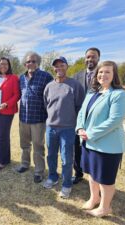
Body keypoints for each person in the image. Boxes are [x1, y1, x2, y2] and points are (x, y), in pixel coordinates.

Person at [76, 61, 125, 217]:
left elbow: (115, 120)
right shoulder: (92, 92)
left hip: (107, 146)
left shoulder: (119, 94)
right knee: (92, 173)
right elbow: (81, 113)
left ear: (114, 75)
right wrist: (79, 128)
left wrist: (90, 133)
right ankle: (94, 198)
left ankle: (105, 208)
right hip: (88, 142)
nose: (103, 75)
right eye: (100, 72)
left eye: (107, 72)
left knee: (105, 178)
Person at [43, 56, 84, 198]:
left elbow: (80, 107)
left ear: (67, 67)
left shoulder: (75, 85)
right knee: (51, 155)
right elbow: (46, 105)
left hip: (68, 129)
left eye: (62, 65)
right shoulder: (49, 86)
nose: (59, 68)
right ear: (53, 68)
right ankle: (53, 177)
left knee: (67, 159)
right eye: (56, 66)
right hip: (51, 128)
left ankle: (67, 184)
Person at [16, 51, 53, 183]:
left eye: (33, 61)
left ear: (38, 62)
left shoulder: (46, 77)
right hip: (23, 118)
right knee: (24, 144)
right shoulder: (21, 78)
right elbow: (17, 95)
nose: (30, 63)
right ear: (25, 64)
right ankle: (25, 164)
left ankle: (39, 171)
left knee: (38, 146)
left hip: (38, 119)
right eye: (28, 61)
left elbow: (51, 97)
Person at [72, 47, 101, 184]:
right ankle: (78, 173)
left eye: (93, 57)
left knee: (93, 148)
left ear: (98, 58)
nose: (90, 59)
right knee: (76, 147)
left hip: (96, 119)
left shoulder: (103, 75)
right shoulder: (77, 76)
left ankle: (94, 176)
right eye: (88, 57)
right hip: (78, 118)